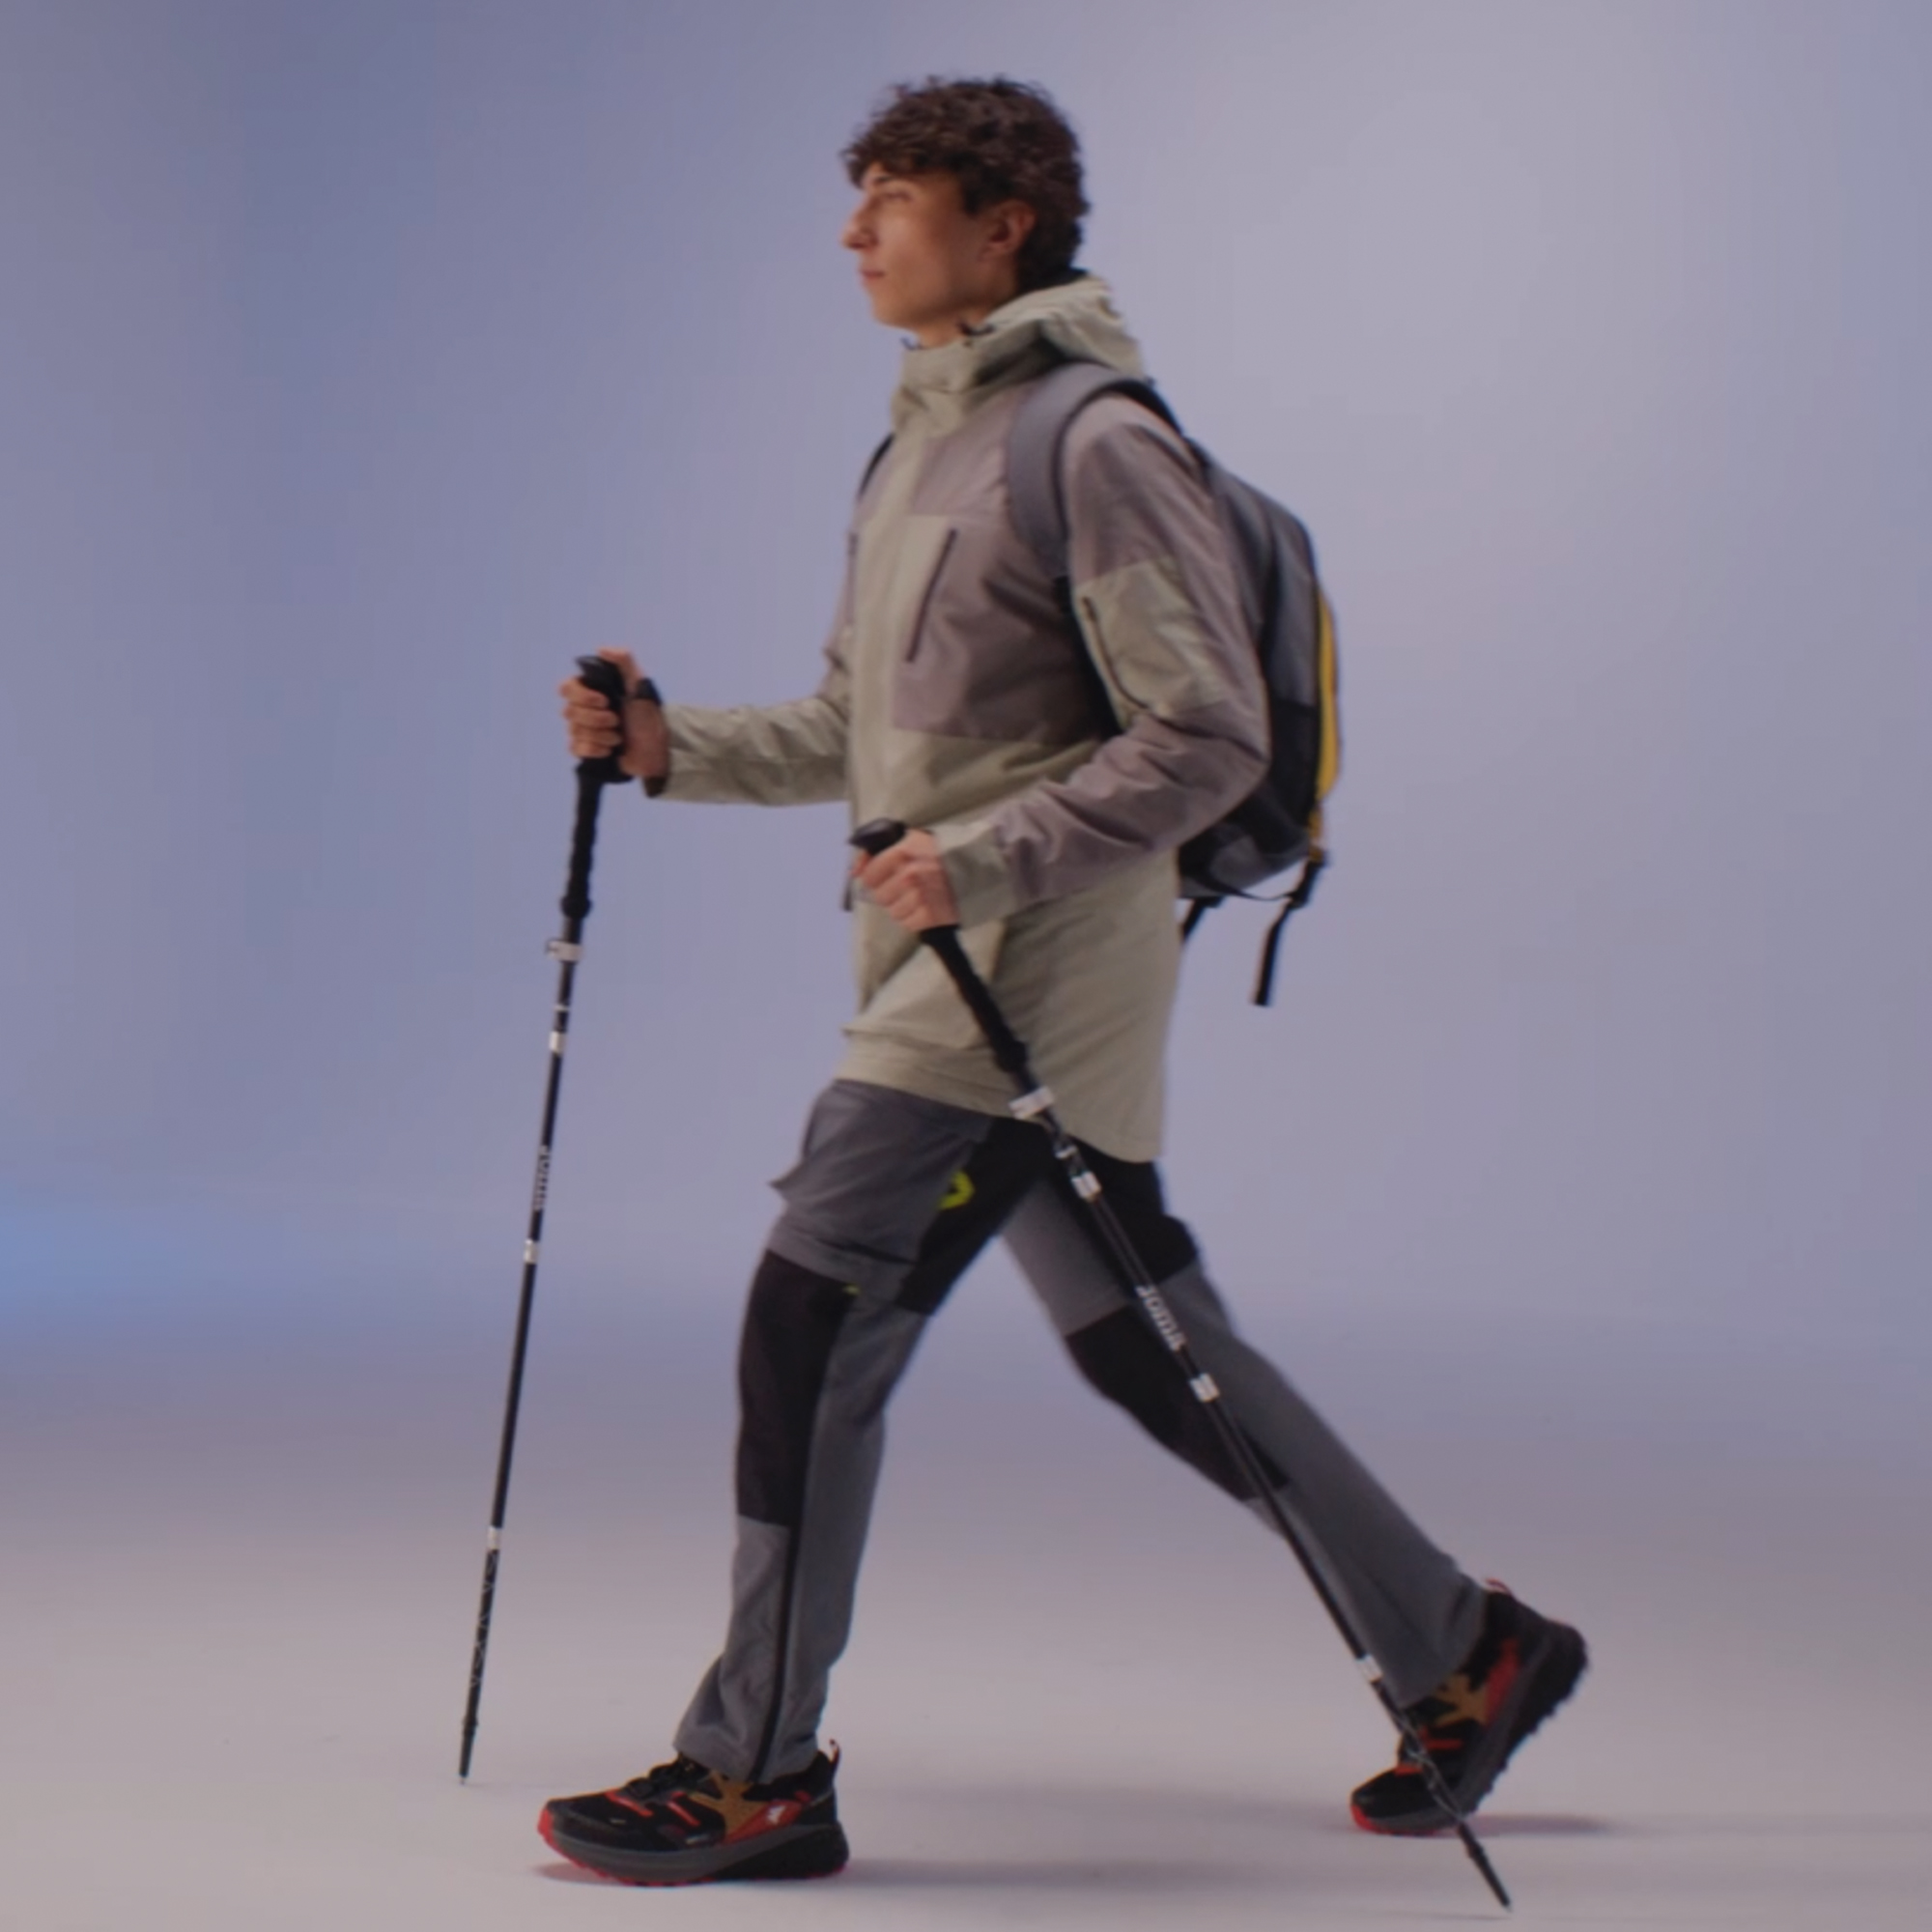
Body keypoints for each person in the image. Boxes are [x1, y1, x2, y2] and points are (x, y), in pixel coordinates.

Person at [538, 76, 1585, 1889]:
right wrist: (665, 745)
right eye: (857, 198)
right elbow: (860, 732)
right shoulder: (913, 449)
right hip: (946, 961)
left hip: (1020, 981)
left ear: (1002, 223)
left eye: (893, 198)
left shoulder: (1093, 444)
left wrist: (988, 859)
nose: (855, 231)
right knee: (1151, 1350)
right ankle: (1467, 1648)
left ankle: (753, 1770)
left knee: (813, 1318)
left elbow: (1205, 733)